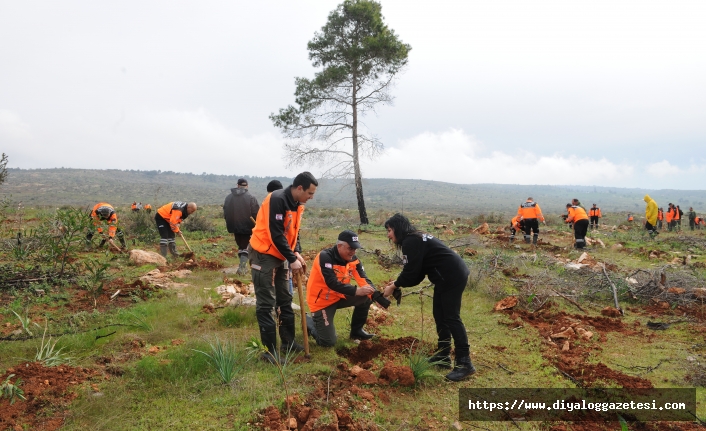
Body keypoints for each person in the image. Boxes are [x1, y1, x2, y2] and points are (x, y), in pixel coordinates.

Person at [382, 213, 474, 382]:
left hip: (451, 277)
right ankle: (443, 356)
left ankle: (464, 363)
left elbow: (410, 274)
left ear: (397, 228)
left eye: (389, 230)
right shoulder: (415, 238)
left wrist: (393, 286)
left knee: (452, 317)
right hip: (446, 276)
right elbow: (416, 274)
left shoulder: (411, 241)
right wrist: (397, 283)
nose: (388, 235)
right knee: (440, 315)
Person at [249, 172, 318, 363]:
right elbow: (276, 233)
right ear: (299, 188)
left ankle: (288, 342)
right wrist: (291, 257)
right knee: (266, 303)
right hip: (264, 254)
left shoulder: (297, 204)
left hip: (280, 254)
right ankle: (269, 353)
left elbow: (291, 233)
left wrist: (295, 252)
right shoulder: (277, 199)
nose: (311, 197)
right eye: (310, 193)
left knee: (284, 299)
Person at [305, 230, 390, 347]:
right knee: (328, 342)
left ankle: (357, 331)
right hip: (322, 301)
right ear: (339, 246)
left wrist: (377, 297)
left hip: (340, 295)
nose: (353, 252)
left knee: (367, 295)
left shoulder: (353, 259)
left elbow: (363, 279)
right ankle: (308, 322)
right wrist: (356, 291)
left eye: (355, 249)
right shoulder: (325, 257)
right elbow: (331, 283)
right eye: (350, 248)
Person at [223, 178, 260, 275]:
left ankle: (242, 267)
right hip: (248, 226)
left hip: (233, 226)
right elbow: (256, 213)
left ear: (237, 185)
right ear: (247, 186)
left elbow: (226, 212)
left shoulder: (228, 197)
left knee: (241, 246)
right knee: (246, 247)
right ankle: (242, 268)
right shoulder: (251, 198)